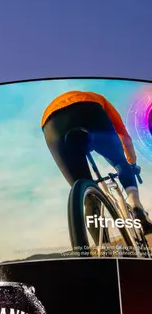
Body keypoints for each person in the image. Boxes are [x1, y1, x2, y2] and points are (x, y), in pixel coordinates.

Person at [41, 90, 152, 235]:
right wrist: (130, 164)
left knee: (85, 191)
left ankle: (103, 250)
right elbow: (124, 138)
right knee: (120, 163)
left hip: (51, 123)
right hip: (89, 108)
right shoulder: (101, 99)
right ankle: (136, 207)